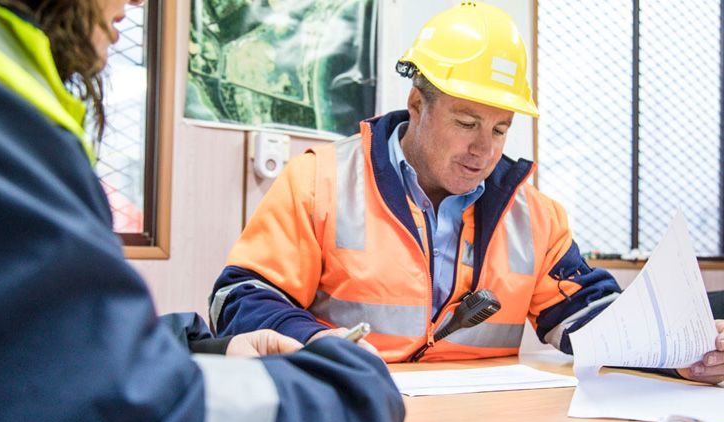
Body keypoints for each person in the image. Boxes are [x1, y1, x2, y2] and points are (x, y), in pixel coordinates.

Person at [210, 2, 724, 384]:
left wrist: (673, 350)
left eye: (500, 129)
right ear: (417, 103)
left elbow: (589, 315)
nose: (484, 149)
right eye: (466, 122)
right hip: (351, 408)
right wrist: (321, 343)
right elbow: (240, 298)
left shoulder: (535, 217)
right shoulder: (318, 182)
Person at [0, 0, 405, 422]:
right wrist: (349, 395)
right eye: (465, 122)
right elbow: (111, 405)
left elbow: (45, 345)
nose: (138, 2)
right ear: (418, 104)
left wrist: (209, 348)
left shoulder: (4, 95)